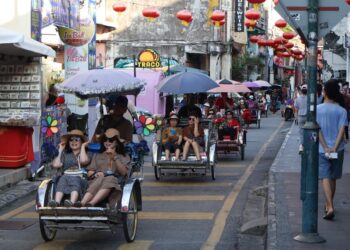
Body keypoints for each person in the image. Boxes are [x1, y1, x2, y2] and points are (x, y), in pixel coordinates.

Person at [317, 79, 347, 220]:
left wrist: (325, 146)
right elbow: (342, 130)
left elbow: (317, 130)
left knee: (325, 176)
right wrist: (334, 147)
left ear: (325, 92)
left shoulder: (317, 109)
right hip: (338, 149)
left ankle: (329, 206)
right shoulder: (342, 110)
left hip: (322, 150)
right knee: (333, 177)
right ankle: (329, 204)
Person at [81, 129, 129, 207]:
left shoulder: (123, 156)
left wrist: (115, 158)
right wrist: (96, 174)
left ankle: (91, 203)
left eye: (111, 140)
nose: (107, 142)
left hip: (115, 183)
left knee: (110, 178)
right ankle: (82, 203)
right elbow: (90, 171)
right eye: (105, 140)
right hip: (96, 181)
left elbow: (124, 173)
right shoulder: (98, 155)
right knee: (101, 178)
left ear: (116, 142)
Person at [49, 130, 91, 207]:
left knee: (74, 179)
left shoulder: (87, 153)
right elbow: (56, 165)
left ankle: (71, 202)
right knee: (62, 179)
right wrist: (61, 149)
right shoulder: (65, 154)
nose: (73, 142)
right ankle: (56, 202)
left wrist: (82, 147)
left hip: (81, 179)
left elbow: (83, 161)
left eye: (76, 140)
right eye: (71, 140)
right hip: (65, 178)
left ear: (81, 142)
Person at [294, 85, 308, 153]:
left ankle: (301, 146)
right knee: (308, 132)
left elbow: (296, 109)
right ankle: (308, 145)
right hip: (308, 117)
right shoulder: (309, 98)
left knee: (301, 132)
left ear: (301, 91)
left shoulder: (297, 99)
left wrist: (296, 118)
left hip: (300, 117)